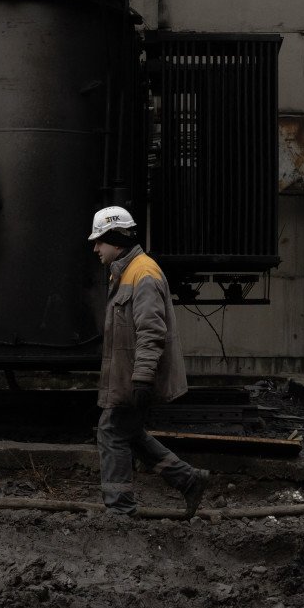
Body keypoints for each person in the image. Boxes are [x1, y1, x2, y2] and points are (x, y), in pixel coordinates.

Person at [88, 205, 210, 518]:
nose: (95, 247)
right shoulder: (127, 271)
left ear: (115, 240)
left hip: (135, 379)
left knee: (111, 432)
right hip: (128, 378)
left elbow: (151, 332)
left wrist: (142, 378)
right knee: (128, 432)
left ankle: (120, 510)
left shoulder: (142, 274)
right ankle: (188, 480)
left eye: (100, 240)